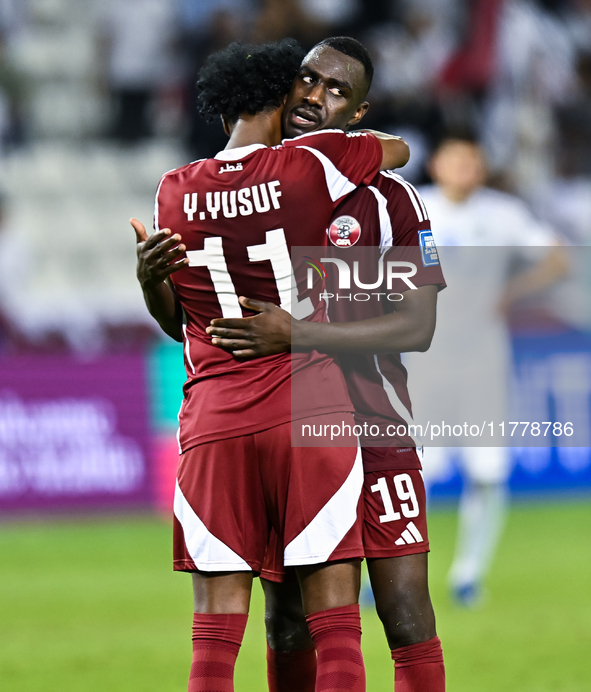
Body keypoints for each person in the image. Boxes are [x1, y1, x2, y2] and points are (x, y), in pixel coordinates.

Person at [132, 38, 409, 692]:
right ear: (279, 96)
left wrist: (147, 282)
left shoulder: (173, 190)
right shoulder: (312, 163)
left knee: (213, 640)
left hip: (213, 424)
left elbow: (179, 323)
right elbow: (394, 149)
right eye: (300, 89)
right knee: (336, 626)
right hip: (310, 411)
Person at [207, 38, 447, 692]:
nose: (313, 95)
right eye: (306, 79)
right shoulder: (243, 193)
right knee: (287, 621)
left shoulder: (390, 203)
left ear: (359, 111)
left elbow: (416, 325)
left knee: (403, 615)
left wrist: (298, 333)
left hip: (372, 430)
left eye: (334, 89)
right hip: (287, 436)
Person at [404, 136, 567, 607]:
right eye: (454, 159)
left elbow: (557, 257)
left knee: (488, 471)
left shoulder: (502, 214)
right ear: (436, 164)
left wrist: (513, 292)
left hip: (483, 363)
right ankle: (397, 573)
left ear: (481, 168)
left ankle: (468, 574)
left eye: (471, 161)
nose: (463, 168)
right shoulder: (412, 208)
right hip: (426, 360)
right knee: (413, 473)